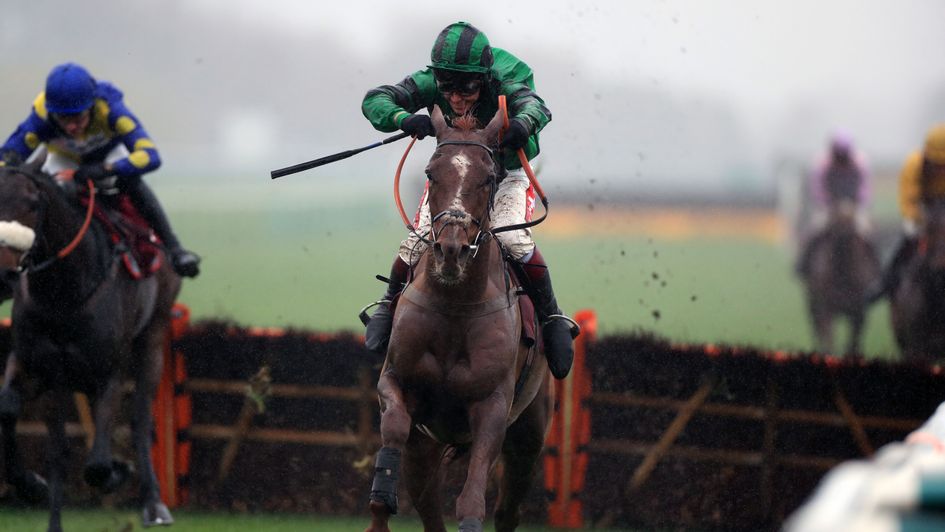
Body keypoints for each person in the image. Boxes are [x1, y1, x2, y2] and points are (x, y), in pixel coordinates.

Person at [360, 21, 578, 379]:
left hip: (506, 173)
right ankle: (387, 303)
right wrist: (403, 117)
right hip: (458, 176)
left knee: (511, 237)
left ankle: (551, 317)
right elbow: (376, 99)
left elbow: (536, 105)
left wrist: (523, 124)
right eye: (448, 87)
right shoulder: (431, 80)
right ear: (438, 77)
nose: (457, 98)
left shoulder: (508, 75)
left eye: (468, 87)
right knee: (418, 241)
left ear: (485, 77)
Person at [0, 62, 200, 277]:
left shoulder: (110, 107)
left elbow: (150, 156)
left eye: (78, 118)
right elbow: (6, 159)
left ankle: (175, 249)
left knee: (132, 181)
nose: (71, 127)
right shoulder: (40, 115)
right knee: (45, 195)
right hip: (64, 160)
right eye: (63, 118)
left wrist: (103, 169)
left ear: (91, 107)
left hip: (107, 157)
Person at [866, 123, 945, 303]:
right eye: (937, 163)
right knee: (908, 239)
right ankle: (885, 282)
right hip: (924, 211)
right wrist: (917, 218)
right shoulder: (914, 165)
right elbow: (908, 198)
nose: (941, 168)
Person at [795, 132, 872, 278]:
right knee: (816, 230)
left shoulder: (860, 163)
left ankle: (876, 269)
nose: (841, 158)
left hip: (854, 207)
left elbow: (865, 189)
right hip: (829, 206)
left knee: (866, 233)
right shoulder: (822, 164)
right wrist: (830, 205)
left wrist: (855, 204)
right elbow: (818, 189)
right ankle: (803, 265)